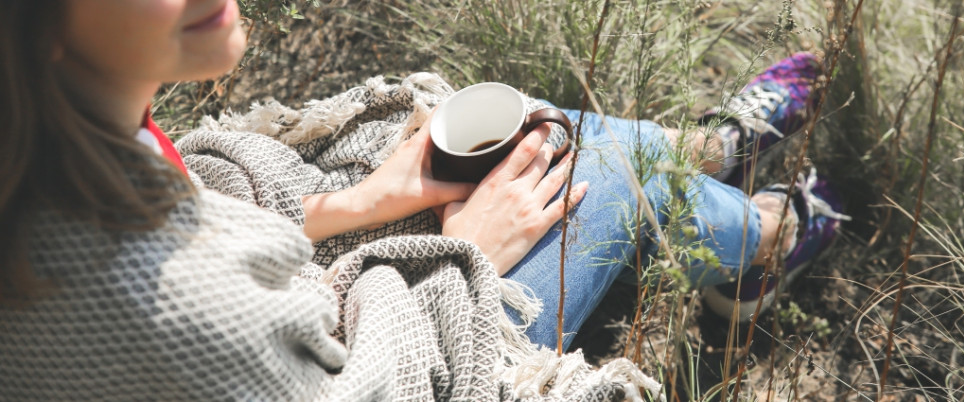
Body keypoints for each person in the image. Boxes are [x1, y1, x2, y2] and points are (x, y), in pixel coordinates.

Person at [0, 0, 845, 399]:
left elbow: (183, 222)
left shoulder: (49, 142)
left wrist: (359, 202)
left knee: (511, 130)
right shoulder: (177, 305)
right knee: (590, 169)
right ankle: (757, 238)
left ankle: (701, 156)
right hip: (406, 365)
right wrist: (464, 255)